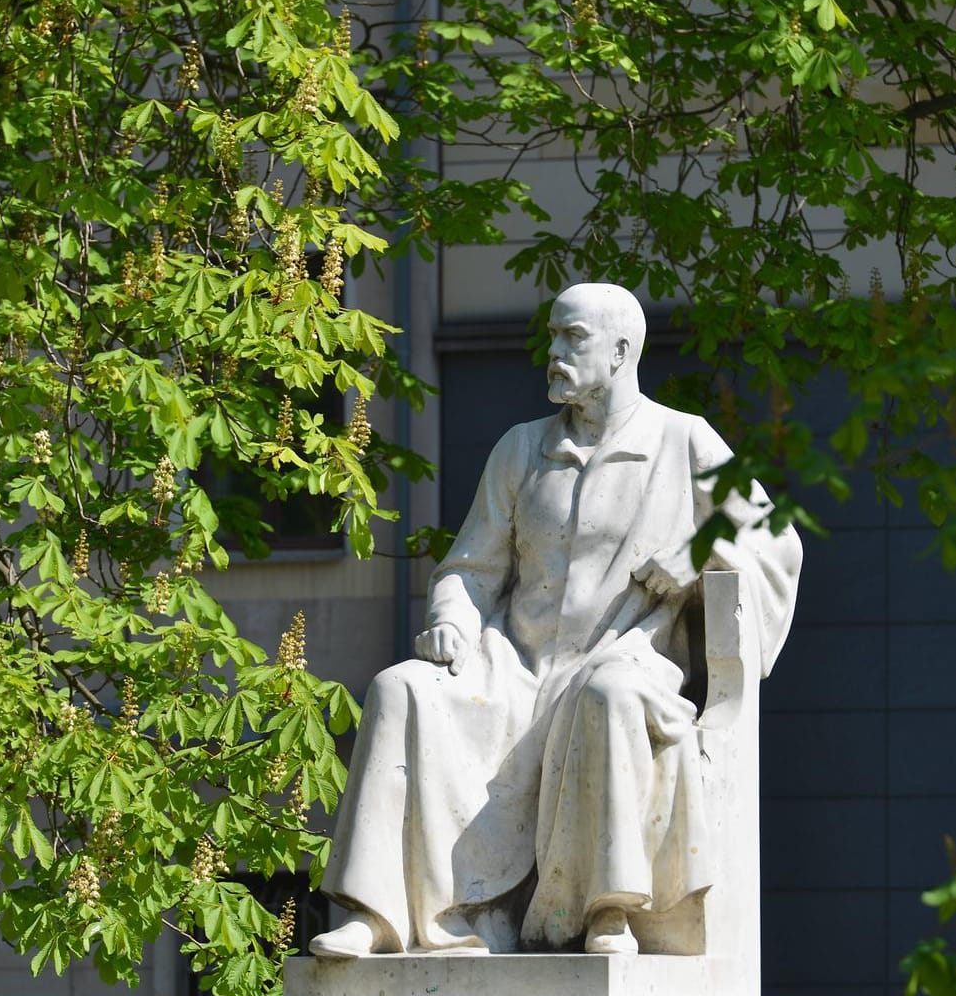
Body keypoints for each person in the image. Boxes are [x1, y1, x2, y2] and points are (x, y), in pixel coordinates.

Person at [309, 283, 803, 958]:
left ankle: (605, 912)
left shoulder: (683, 441)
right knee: (402, 688)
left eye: (573, 338)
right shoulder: (520, 449)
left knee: (609, 694)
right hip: (511, 667)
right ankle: (383, 916)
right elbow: (470, 568)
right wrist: (452, 617)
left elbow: (777, 542)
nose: (554, 353)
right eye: (552, 337)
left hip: (623, 661)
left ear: (622, 351)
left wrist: (699, 552)